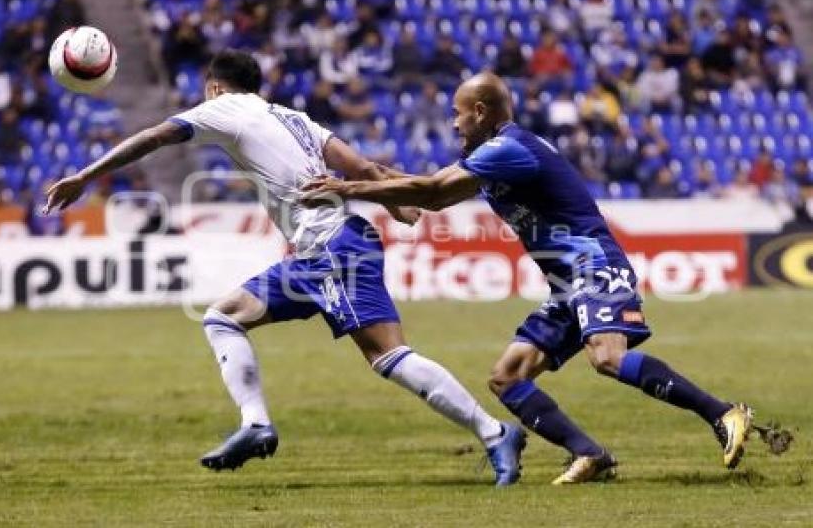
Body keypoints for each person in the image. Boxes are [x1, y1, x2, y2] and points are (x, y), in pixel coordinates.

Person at [43, 50, 526, 486]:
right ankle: (255, 425)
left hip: (335, 249)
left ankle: (494, 431)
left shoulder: (222, 108)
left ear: (214, 87)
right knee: (223, 316)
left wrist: (85, 175)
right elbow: (363, 167)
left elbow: (154, 137)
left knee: (387, 356)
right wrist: (397, 202)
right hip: (313, 255)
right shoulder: (296, 118)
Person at [301, 71, 753, 484]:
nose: (455, 125)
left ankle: (723, 413)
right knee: (508, 377)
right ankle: (589, 453)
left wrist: (351, 188)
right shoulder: (495, 156)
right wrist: (373, 180)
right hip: (565, 285)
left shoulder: (508, 149)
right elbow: (436, 196)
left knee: (607, 357)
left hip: (594, 266)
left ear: (480, 112)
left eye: (458, 114)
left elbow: (433, 189)